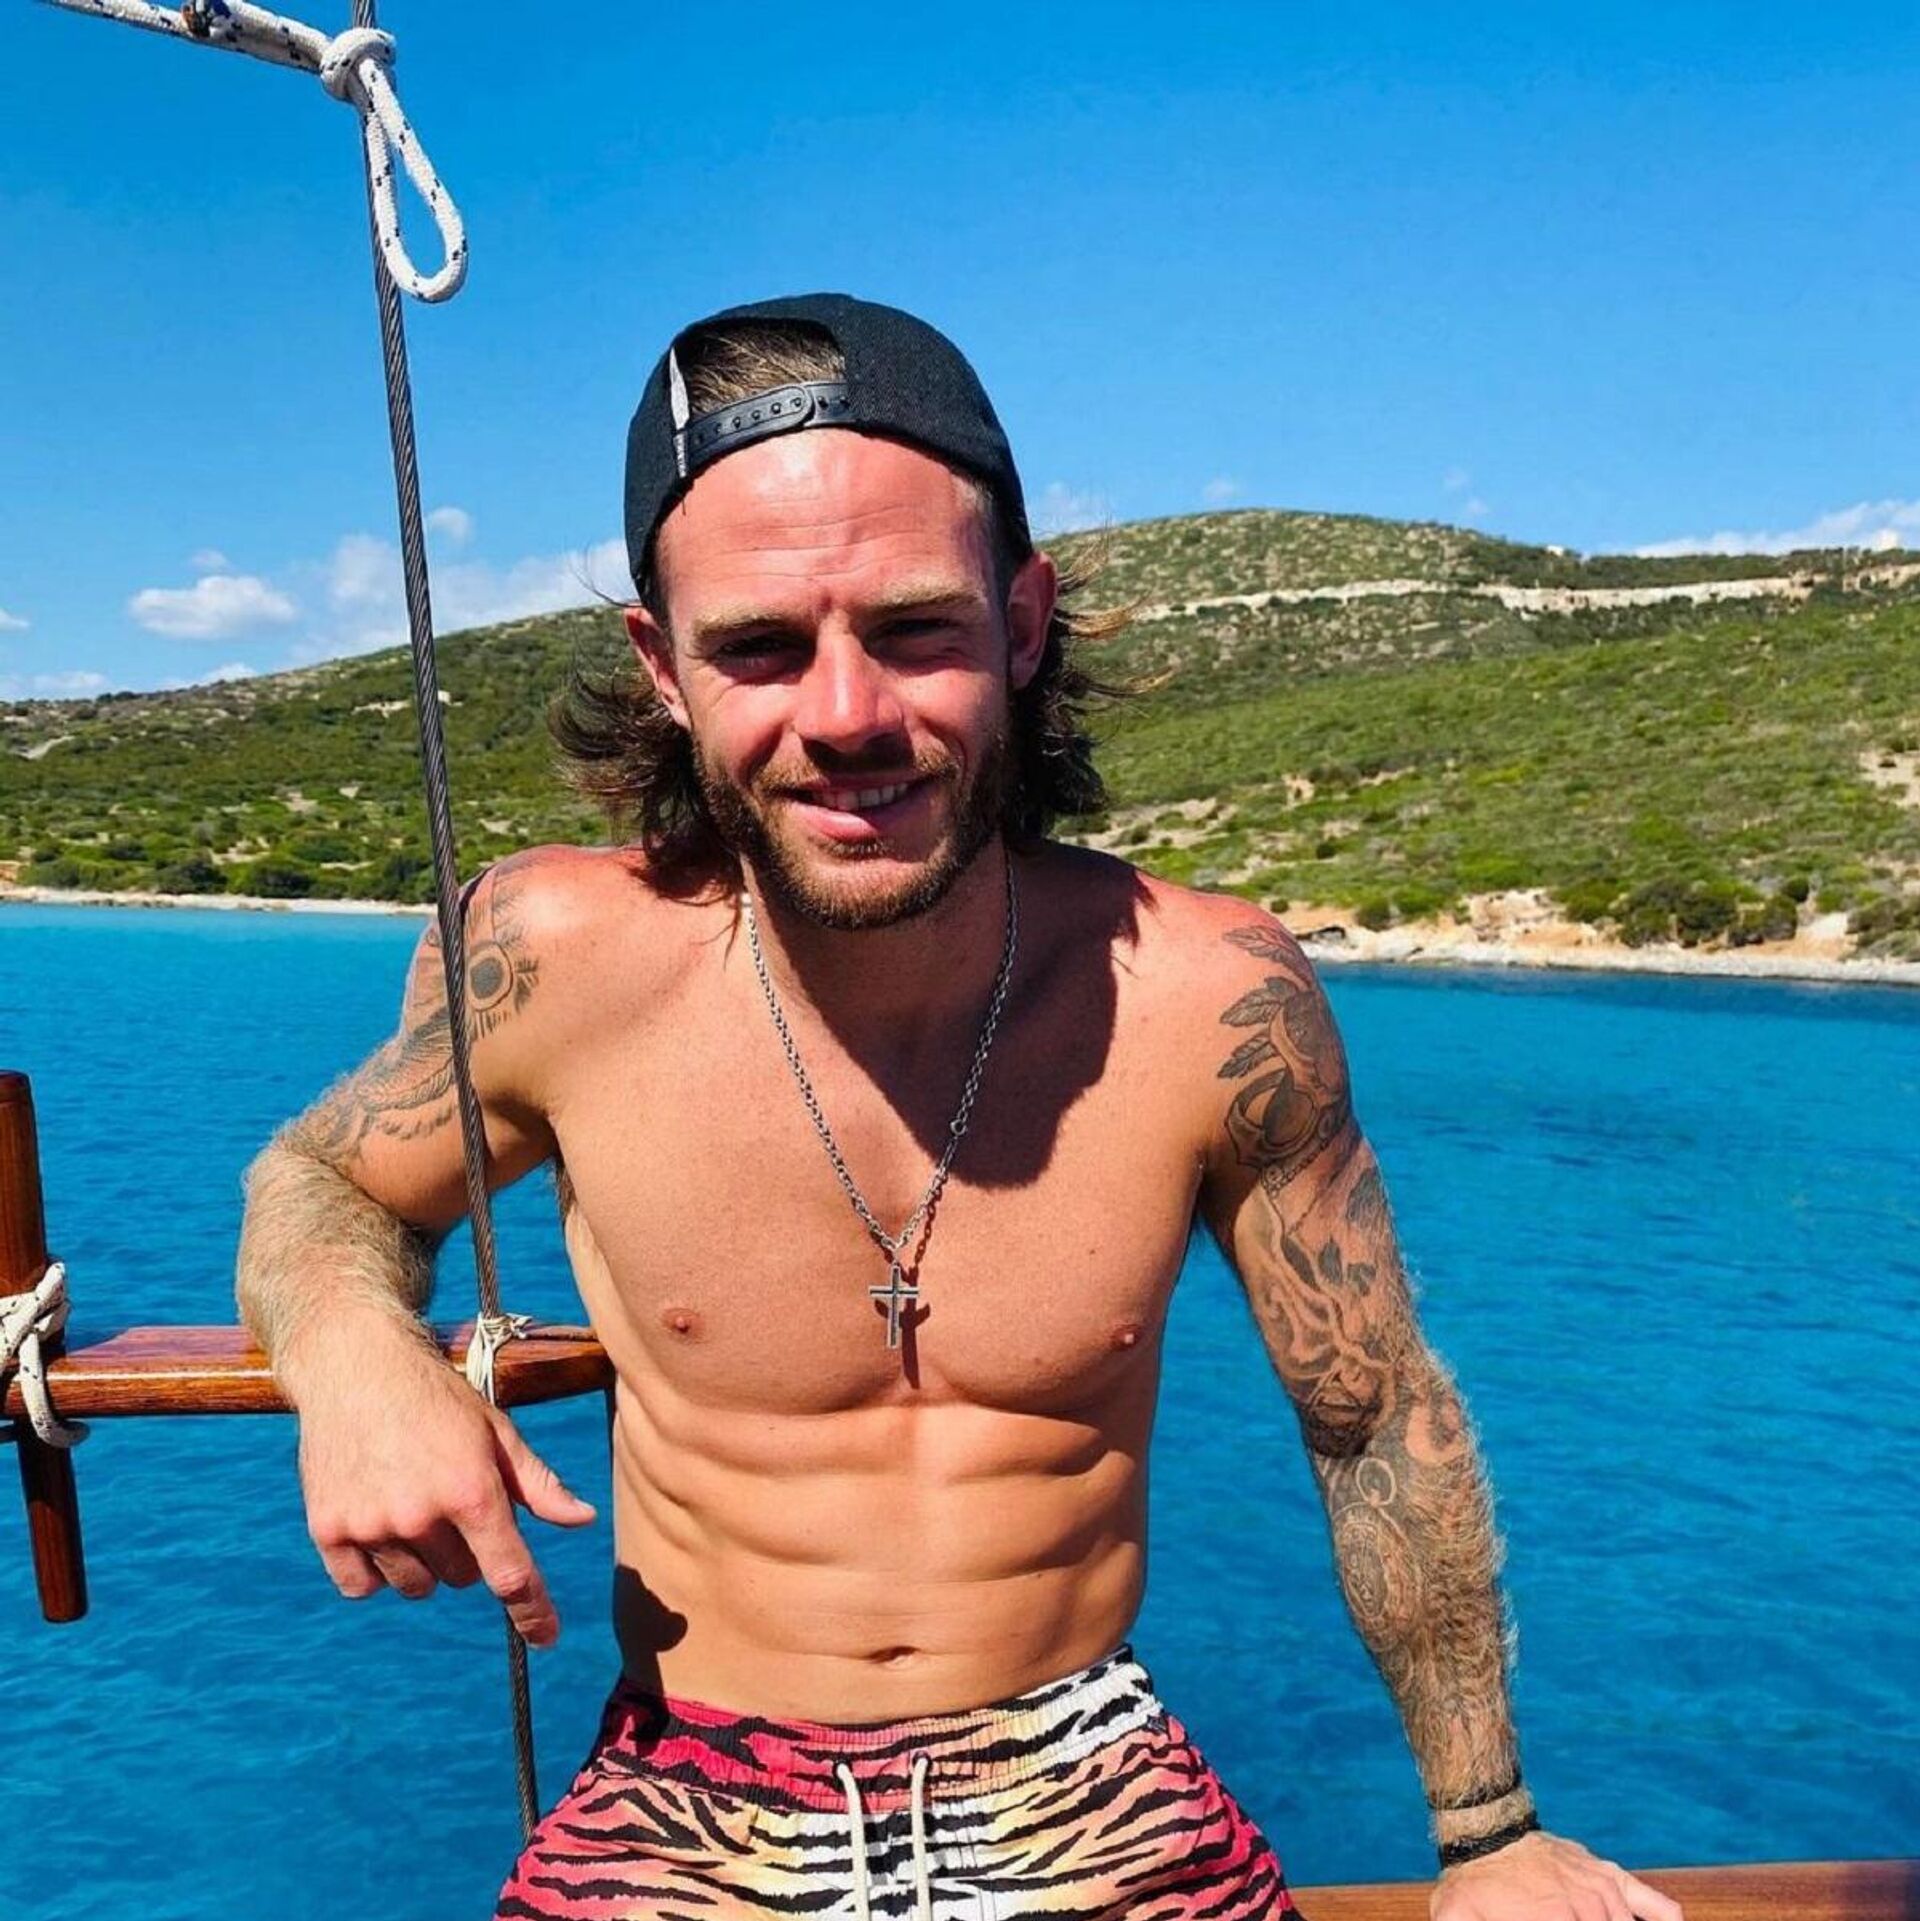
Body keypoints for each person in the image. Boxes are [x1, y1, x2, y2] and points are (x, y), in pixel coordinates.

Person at [236, 293, 1684, 1921]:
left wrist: (1489, 1833)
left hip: (1095, 1788)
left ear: (1022, 622)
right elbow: (324, 1181)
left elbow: (1373, 1415)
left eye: (916, 628)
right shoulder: (555, 961)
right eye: (760, 647)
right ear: (664, 669)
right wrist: (351, 1353)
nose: (847, 714)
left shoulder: (1209, 1001)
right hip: (688, 1804)